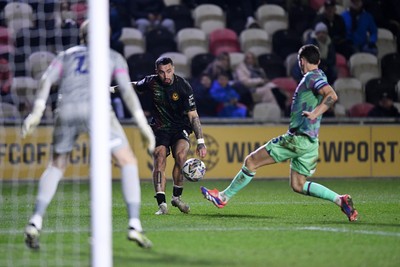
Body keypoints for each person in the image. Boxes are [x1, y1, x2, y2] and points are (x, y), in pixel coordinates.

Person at [22, 20, 155, 250]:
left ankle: (35, 220)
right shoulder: (113, 56)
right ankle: (134, 225)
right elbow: (126, 91)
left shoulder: (67, 55)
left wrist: (37, 111)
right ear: (106, 35)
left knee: (57, 165)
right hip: (97, 110)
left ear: (82, 36)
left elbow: (46, 79)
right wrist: (142, 124)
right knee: (127, 161)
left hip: (66, 109)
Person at [201, 44, 359, 222]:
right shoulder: (320, 74)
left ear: (302, 61)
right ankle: (340, 200)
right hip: (311, 142)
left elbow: (332, 95)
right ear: (319, 61)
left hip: (297, 138)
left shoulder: (310, 77)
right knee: (298, 185)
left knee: (251, 161)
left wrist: (315, 113)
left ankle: (223, 197)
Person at [130, 56, 207, 215]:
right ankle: (162, 205)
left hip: (180, 127)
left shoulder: (184, 86)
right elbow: (132, 85)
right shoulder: (151, 82)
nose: (165, 76)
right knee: (159, 158)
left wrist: (201, 141)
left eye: (169, 71)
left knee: (180, 156)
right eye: (161, 72)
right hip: (160, 128)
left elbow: (193, 116)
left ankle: (176, 198)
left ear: (173, 69)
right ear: (156, 72)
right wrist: (110, 89)